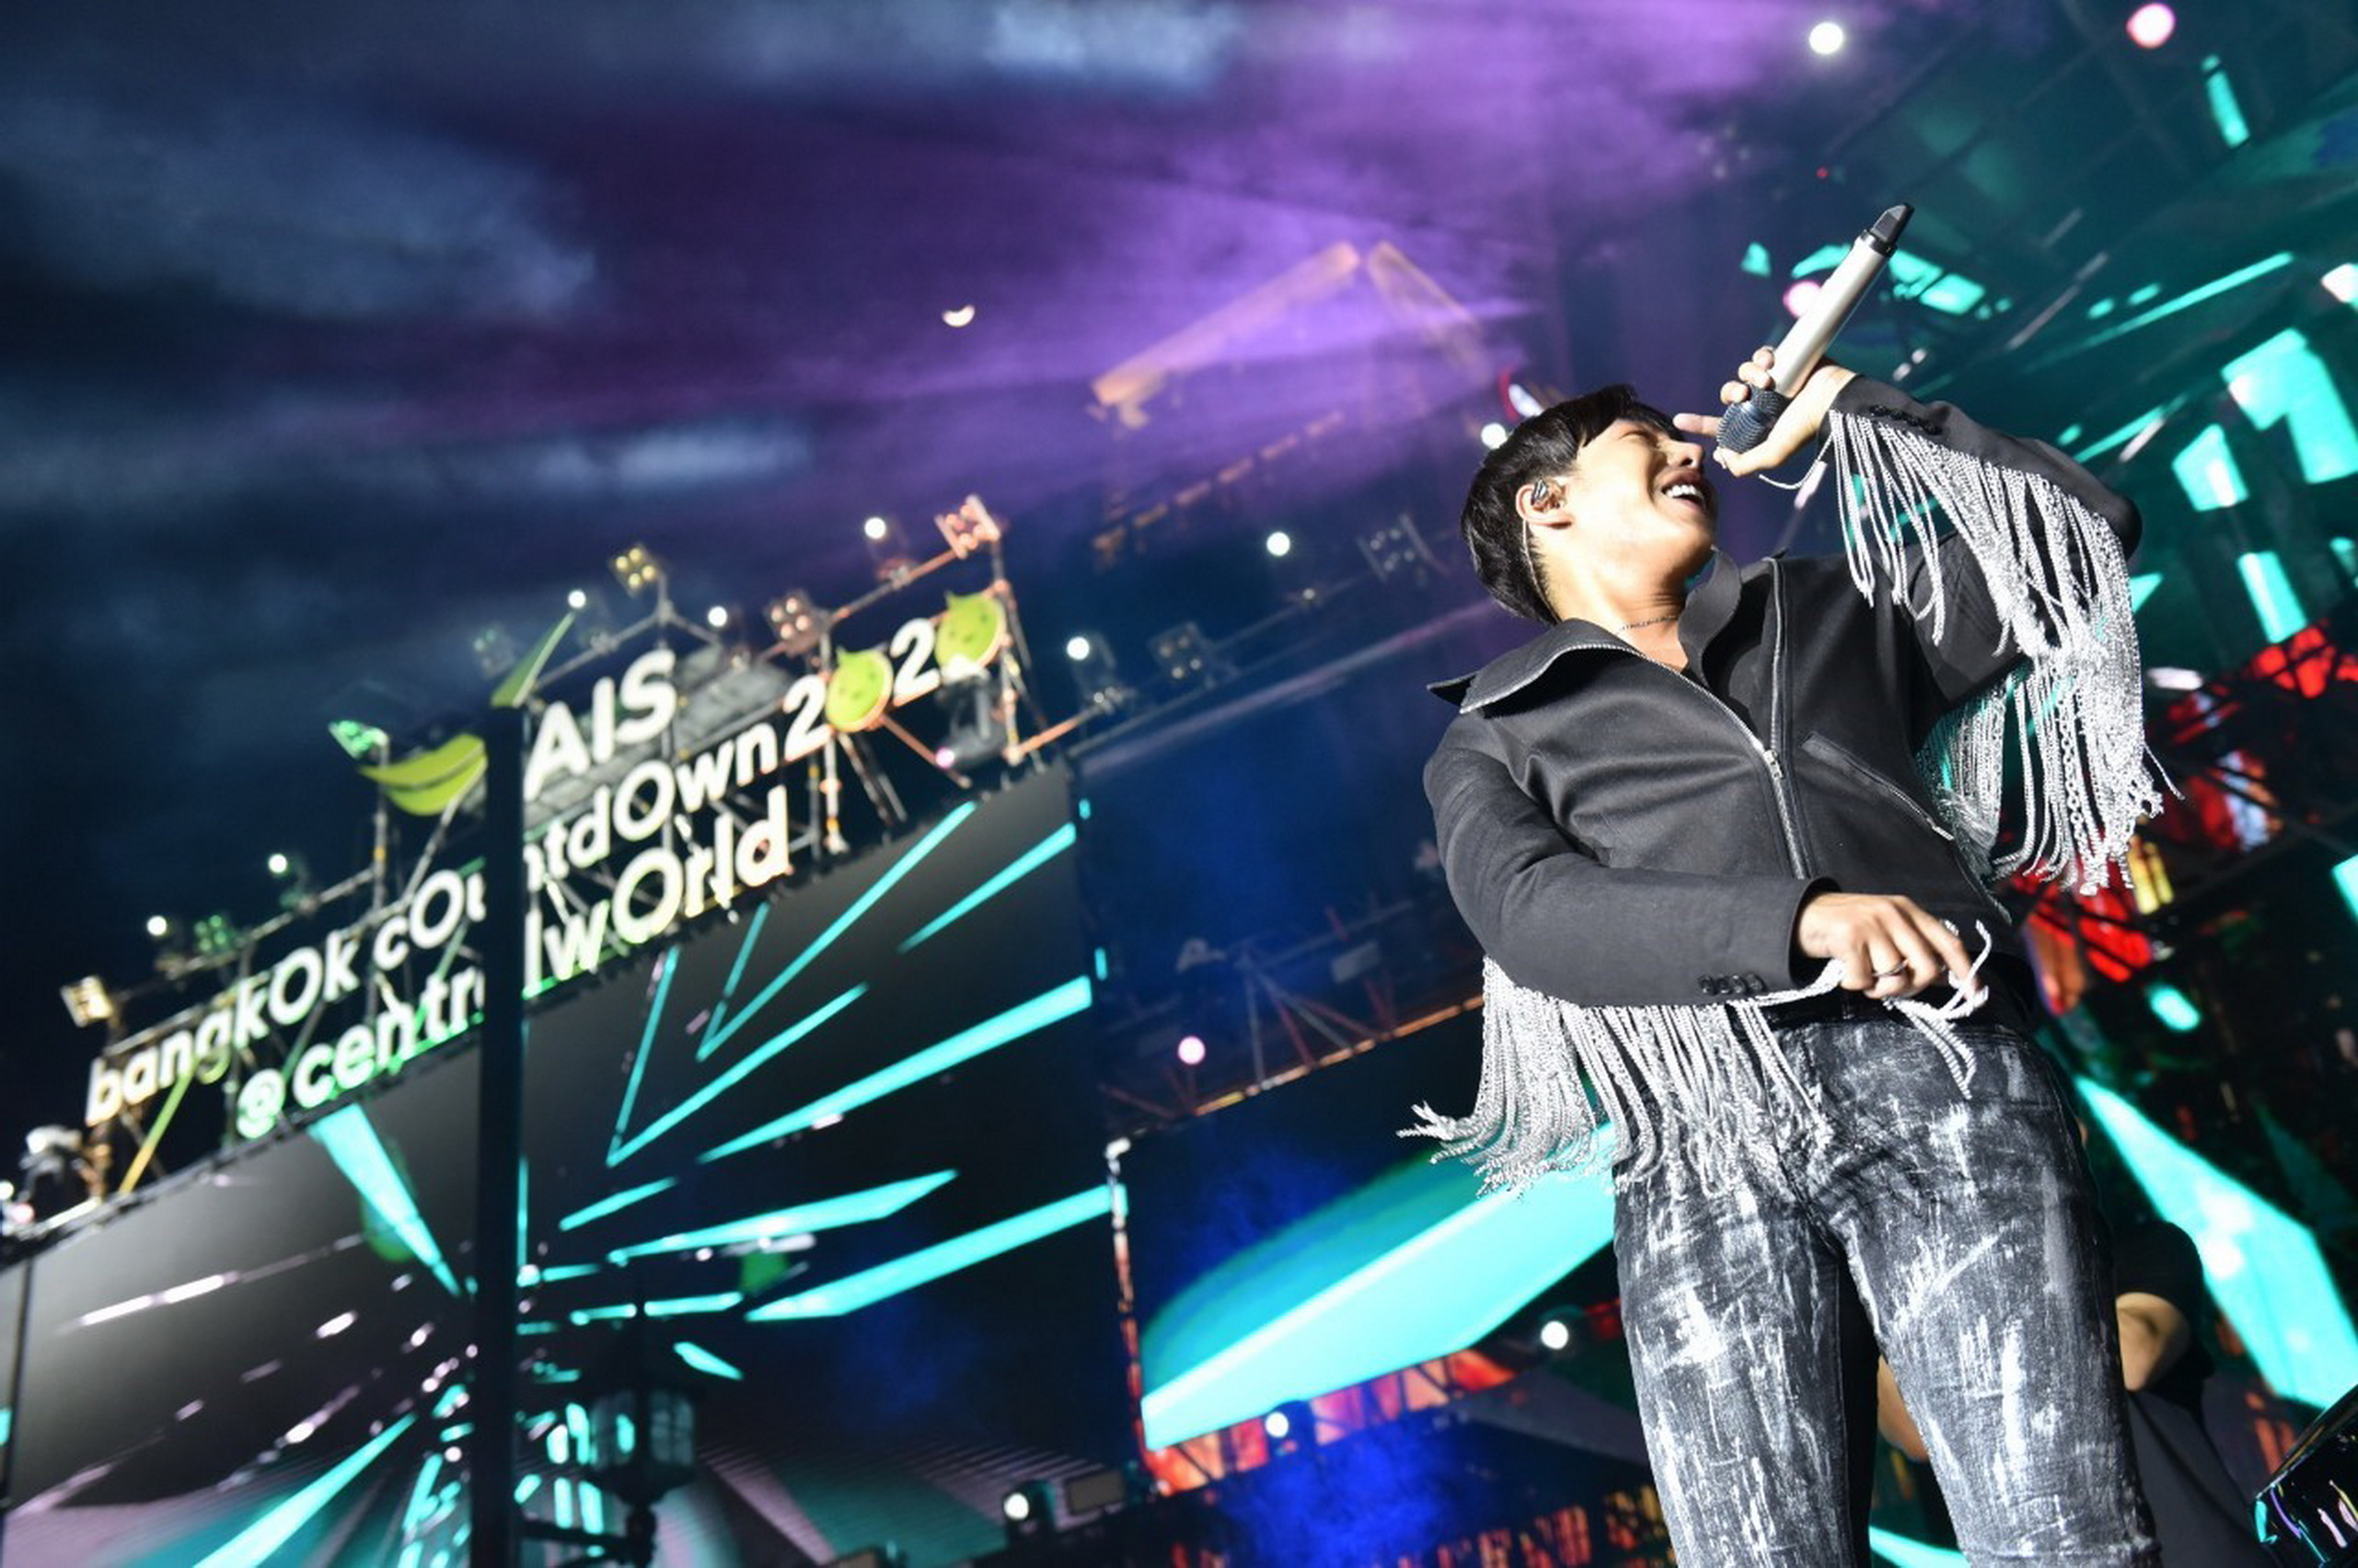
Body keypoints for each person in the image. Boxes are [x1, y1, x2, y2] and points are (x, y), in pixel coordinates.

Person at [1405, 347, 2165, 1564]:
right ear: (1545, 503)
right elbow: (1531, 915)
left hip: (1939, 1081)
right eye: (1645, 441)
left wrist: (1861, 409)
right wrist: (1799, 920)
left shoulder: (1824, 610)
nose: (1688, 449)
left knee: (2058, 1533)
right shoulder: (1494, 732)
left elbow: (2081, 537)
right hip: (1695, 1137)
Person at [1880, 1217, 2276, 1564]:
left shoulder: (2141, 1248)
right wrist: (1876, 1305)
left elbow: (2136, 1358)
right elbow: (1917, 1436)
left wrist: (1990, 1267)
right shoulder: (1939, 1310)